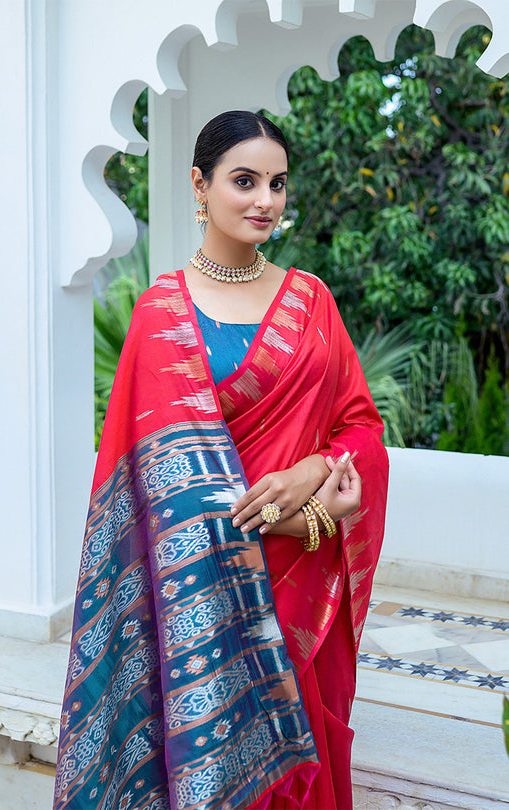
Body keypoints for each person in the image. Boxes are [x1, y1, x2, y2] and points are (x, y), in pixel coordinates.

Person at [54, 110, 389, 810]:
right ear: (200, 187)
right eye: (244, 181)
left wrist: (315, 479)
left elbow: (359, 426)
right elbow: (153, 482)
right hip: (199, 594)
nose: (266, 200)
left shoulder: (314, 302)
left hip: (302, 575)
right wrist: (283, 521)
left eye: (278, 183)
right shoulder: (160, 315)